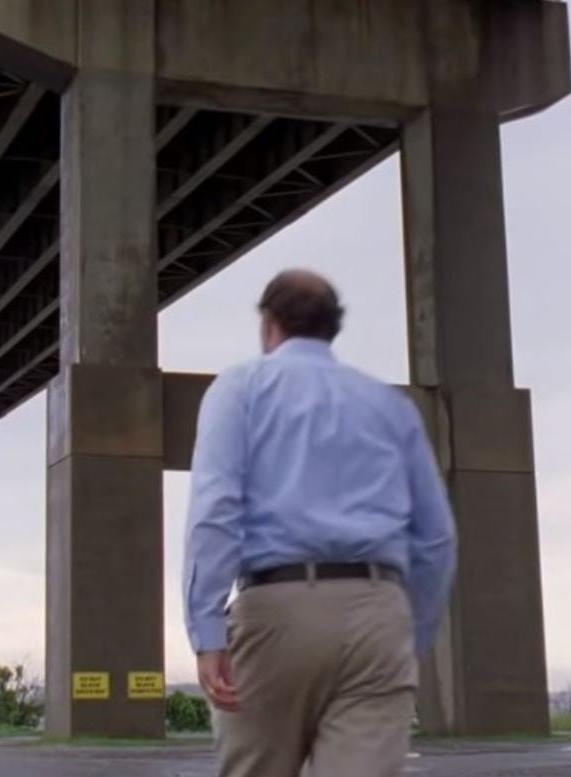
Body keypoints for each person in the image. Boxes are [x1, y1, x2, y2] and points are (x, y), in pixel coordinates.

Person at [183, 269, 456, 777]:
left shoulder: (239, 389)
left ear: (269, 324)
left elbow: (215, 512)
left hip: (275, 610)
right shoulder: (391, 408)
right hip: (377, 612)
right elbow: (436, 538)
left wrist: (207, 628)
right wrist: (410, 634)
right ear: (333, 328)